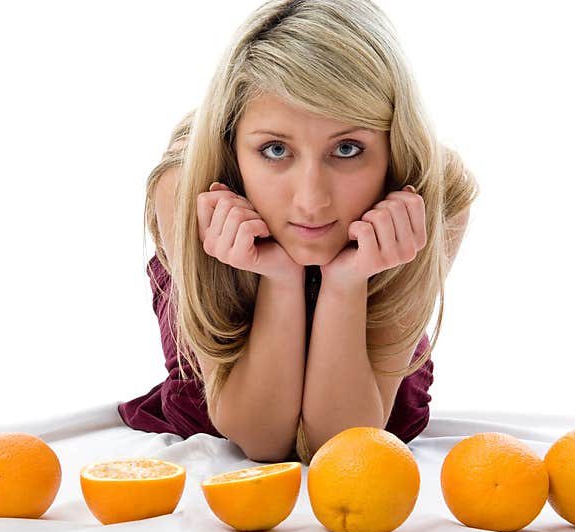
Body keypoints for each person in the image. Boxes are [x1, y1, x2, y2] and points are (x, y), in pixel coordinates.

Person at [119, 0, 479, 464]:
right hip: (232, 412)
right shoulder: (185, 191)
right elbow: (262, 440)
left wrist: (347, 283)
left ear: (394, 144)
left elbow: (341, 442)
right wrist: (279, 277)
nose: (311, 200)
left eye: (348, 148)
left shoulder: (436, 199)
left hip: (363, 419)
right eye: (274, 150)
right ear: (231, 142)